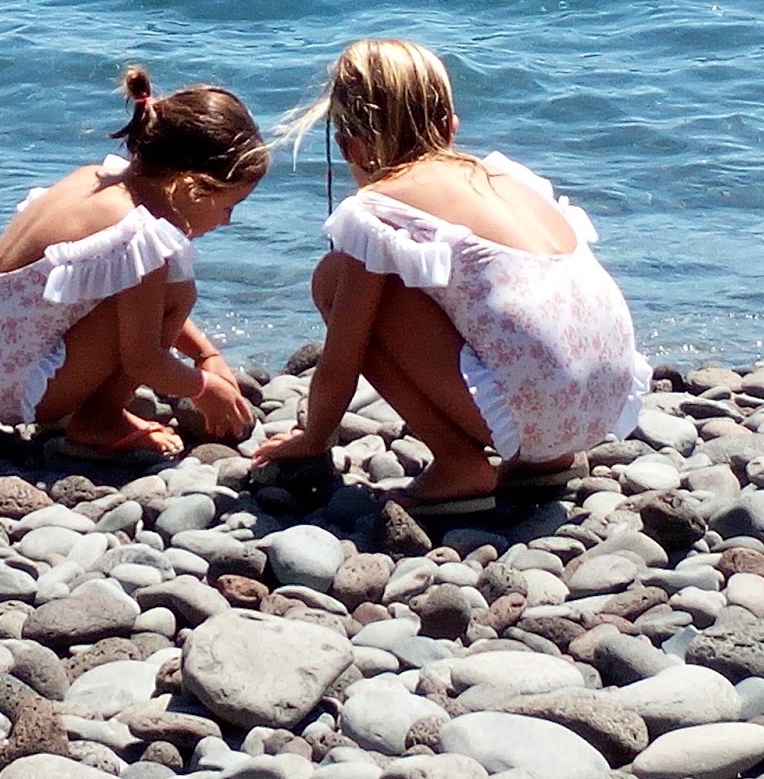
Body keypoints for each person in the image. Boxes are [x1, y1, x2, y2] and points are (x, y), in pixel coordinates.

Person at [253, 39, 650, 512]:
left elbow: (342, 361)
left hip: (540, 414)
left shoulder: (378, 207)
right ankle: (547, 462)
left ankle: (458, 464)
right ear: (450, 126)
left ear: (348, 146)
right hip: (605, 405)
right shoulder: (510, 179)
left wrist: (314, 438)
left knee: (336, 280)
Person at [0, 66, 265, 456]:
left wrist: (204, 354)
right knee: (179, 291)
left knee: (158, 283)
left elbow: (139, 302)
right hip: (19, 386)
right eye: (229, 206)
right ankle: (100, 418)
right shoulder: (136, 234)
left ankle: (86, 405)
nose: (226, 222)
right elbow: (143, 360)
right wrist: (203, 389)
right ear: (189, 187)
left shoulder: (96, 179)